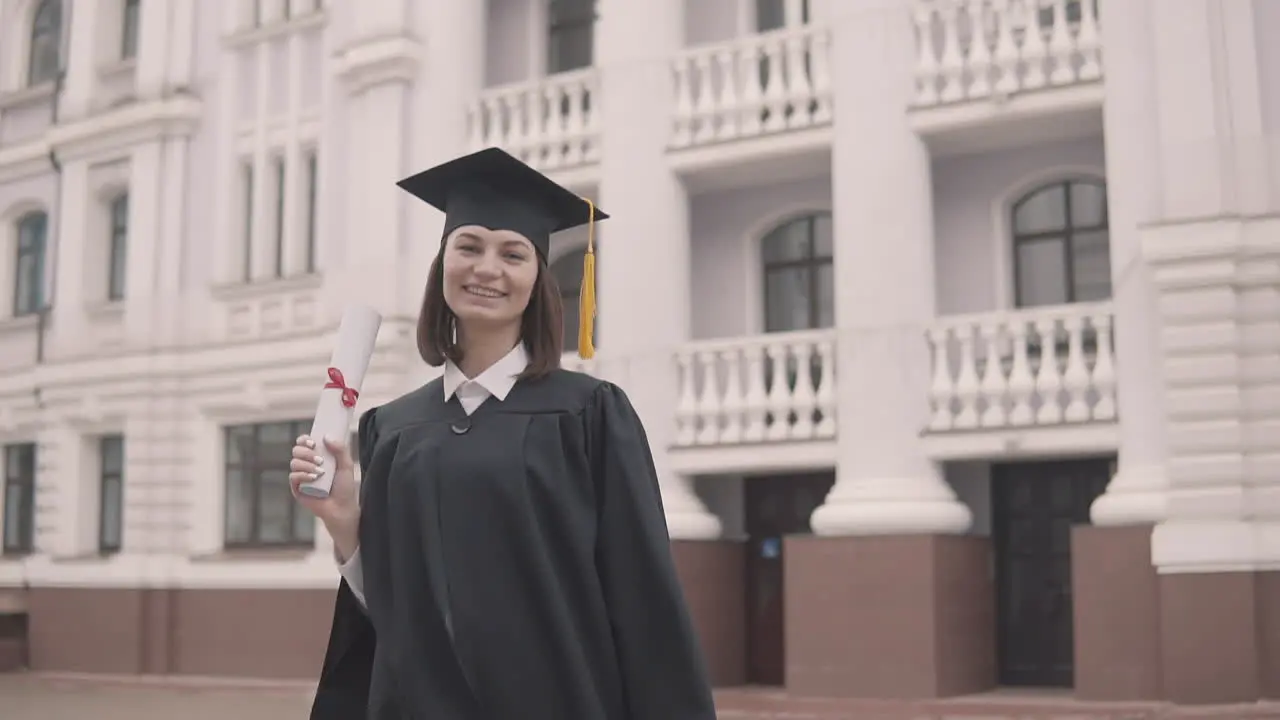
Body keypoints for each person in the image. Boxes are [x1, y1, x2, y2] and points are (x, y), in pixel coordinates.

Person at [288, 147, 718, 720]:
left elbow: (643, 601)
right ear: (442, 264)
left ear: (538, 277)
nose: (486, 269)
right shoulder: (392, 428)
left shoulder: (588, 414)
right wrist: (346, 528)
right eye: (468, 246)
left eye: (513, 253)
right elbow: (392, 616)